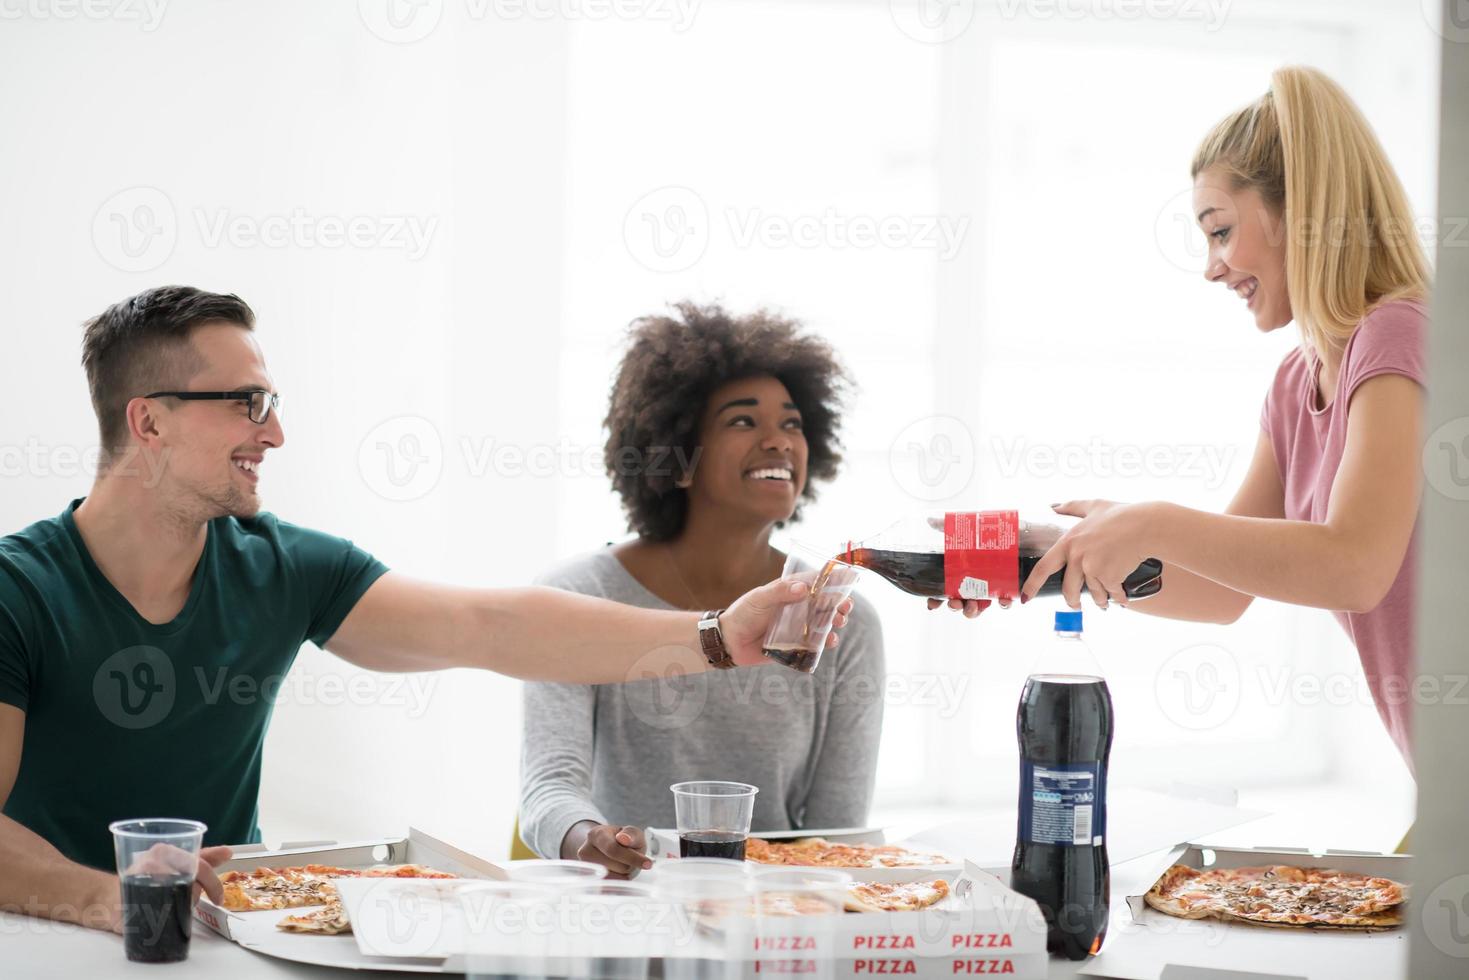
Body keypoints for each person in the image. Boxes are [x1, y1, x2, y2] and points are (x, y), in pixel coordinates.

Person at [0, 286, 851, 932]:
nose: (274, 434)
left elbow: (491, 626)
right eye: (246, 403)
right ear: (147, 422)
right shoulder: (18, 588)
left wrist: (712, 636)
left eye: (273, 405)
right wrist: (120, 899)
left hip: (218, 936)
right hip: (46, 942)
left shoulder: (285, 567)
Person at [950, 67, 1428, 769]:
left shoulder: (1398, 335)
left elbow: (1354, 567)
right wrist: (1048, 549)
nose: (1211, 267)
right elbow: (1218, 590)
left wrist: (1147, 520)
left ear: (1301, 211)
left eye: (1220, 231)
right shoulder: (1296, 383)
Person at [519, 303, 885, 877]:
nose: (779, 442)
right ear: (680, 459)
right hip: (624, 908)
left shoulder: (841, 617)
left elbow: (837, 834)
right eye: (744, 421)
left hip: (776, 923)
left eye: (792, 423)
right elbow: (548, 790)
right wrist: (590, 840)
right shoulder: (577, 594)